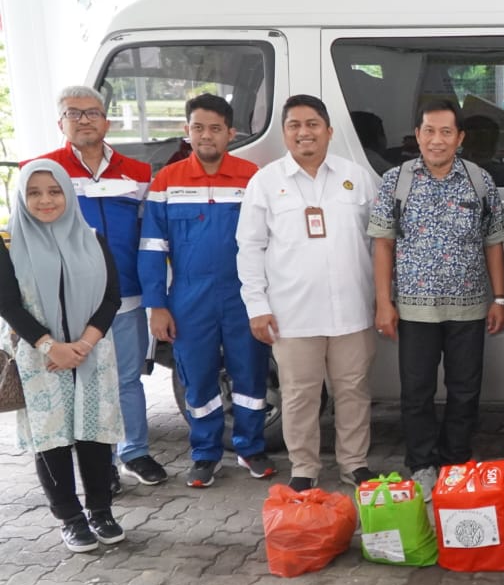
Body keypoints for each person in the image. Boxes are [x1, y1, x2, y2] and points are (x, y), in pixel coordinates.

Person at [369, 99, 504, 500]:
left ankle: (456, 462)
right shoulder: (396, 181)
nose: (437, 140)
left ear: (460, 138)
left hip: (468, 308)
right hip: (413, 309)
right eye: (429, 131)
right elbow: (383, 244)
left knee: (465, 390)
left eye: (446, 132)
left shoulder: (479, 181)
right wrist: (385, 302)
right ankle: (422, 465)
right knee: (416, 392)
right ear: (417, 135)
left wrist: (499, 298)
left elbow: (495, 243)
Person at [236, 94, 380, 491]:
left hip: (353, 309)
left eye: (313, 124)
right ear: (284, 133)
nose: (304, 132)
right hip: (292, 313)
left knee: (354, 390)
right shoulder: (265, 183)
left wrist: (382, 298)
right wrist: (257, 306)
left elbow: (379, 243)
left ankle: (354, 463)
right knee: (300, 395)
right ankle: (304, 468)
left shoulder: (357, 177)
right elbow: (250, 248)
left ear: (329, 131)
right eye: (295, 125)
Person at [26, 85, 161, 491]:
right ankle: (98, 469)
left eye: (92, 112)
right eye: (74, 113)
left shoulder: (138, 172)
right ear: (60, 123)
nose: (84, 120)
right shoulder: (43, 170)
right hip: (66, 303)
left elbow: (149, 233)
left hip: (126, 296)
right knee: (78, 383)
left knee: (127, 379)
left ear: (107, 120)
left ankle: (135, 452)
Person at [139, 94, 277, 488]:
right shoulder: (168, 181)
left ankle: (251, 449)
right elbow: (151, 248)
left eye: (215, 128)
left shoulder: (252, 177)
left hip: (243, 296)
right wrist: (156, 306)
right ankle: (205, 455)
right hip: (189, 298)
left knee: (250, 375)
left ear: (230, 133)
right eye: (198, 127)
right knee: (197, 379)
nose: (206, 136)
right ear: (187, 131)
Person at [0, 160, 125, 552]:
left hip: (92, 352)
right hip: (41, 356)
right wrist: (51, 346)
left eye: (54, 191)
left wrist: (83, 345)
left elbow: (111, 298)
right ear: (22, 198)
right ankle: (70, 519)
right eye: (34, 193)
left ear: (68, 194)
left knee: (94, 434)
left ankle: (101, 511)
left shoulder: (91, 238)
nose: (45, 200)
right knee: (51, 438)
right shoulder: (8, 243)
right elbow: (7, 303)